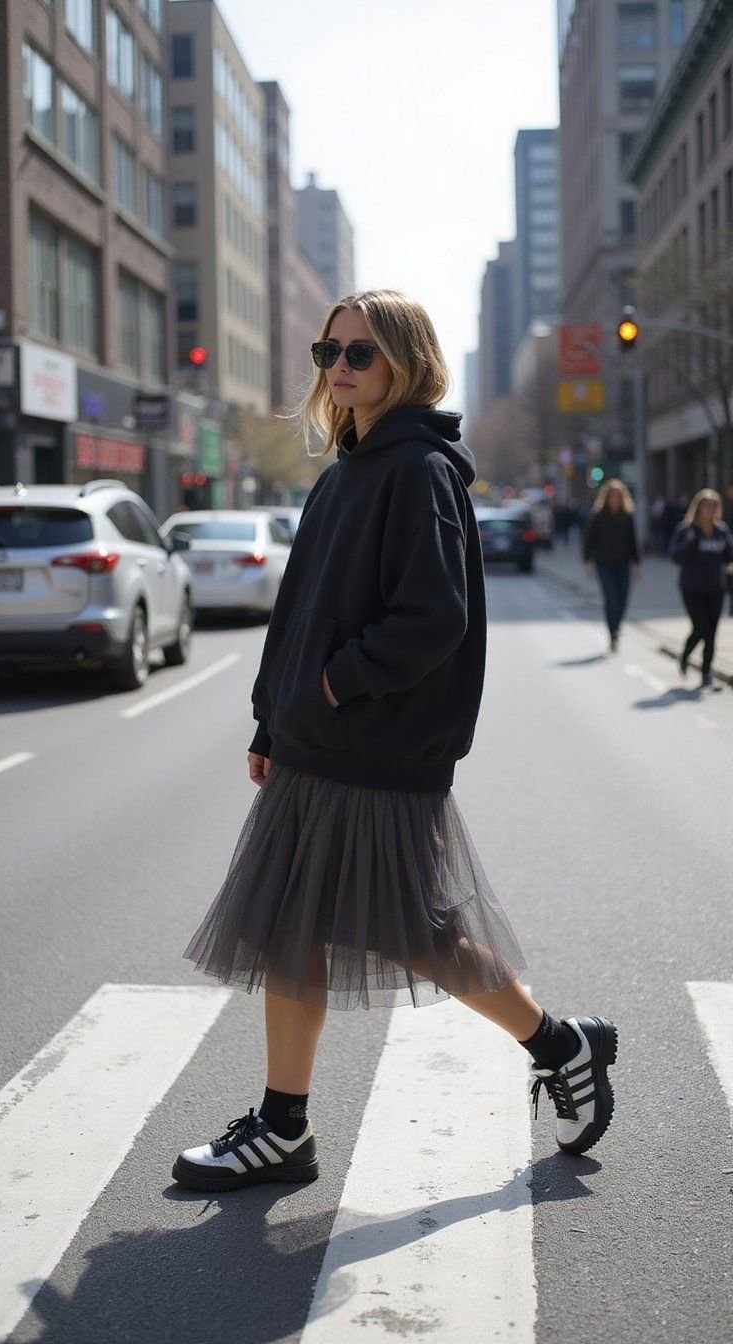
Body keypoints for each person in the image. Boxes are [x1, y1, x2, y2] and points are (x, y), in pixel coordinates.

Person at [172, 290, 617, 1194]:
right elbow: (300, 616)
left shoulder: (418, 469)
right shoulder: (348, 468)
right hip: (314, 744)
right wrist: (274, 717)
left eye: (359, 353)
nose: (338, 367)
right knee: (290, 929)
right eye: (327, 351)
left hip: (373, 748)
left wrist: (332, 688)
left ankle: (560, 1044)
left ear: (406, 362)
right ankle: (283, 1126)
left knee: (417, 931)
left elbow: (432, 619)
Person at [670, 488, 733, 688]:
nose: (710, 509)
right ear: (698, 508)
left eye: (714, 505)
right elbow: (675, 556)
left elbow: (729, 556)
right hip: (692, 588)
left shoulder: (721, 531)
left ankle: (706, 673)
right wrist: (689, 543)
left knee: (711, 632)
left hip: (715, 588)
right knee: (700, 627)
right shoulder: (687, 529)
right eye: (707, 505)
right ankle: (686, 655)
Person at [582, 479, 641, 651]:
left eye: (618, 495)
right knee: (611, 598)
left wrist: (637, 564)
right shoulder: (598, 516)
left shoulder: (627, 516)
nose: (614, 498)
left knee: (622, 600)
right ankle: (612, 632)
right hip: (604, 563)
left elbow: (633, 542)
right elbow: (589, 540)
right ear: (606, 497)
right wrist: (587, 561)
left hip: (623, 563)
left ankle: (617, 627)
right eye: (612, 495)